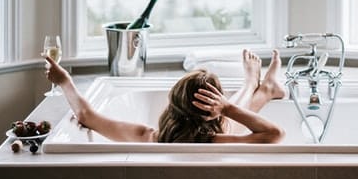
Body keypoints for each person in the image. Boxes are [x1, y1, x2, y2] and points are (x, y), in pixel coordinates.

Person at [44, 48, 287, 144]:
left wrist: (65, 80)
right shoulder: (217, 140)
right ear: (212, 114)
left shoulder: (149, 137)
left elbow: (87, 115)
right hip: (222, 125)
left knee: (229, 124)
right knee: (230, 125)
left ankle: (260, 87)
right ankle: (258, 87)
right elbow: (275, 134)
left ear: (173, 104)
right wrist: (227, 109)